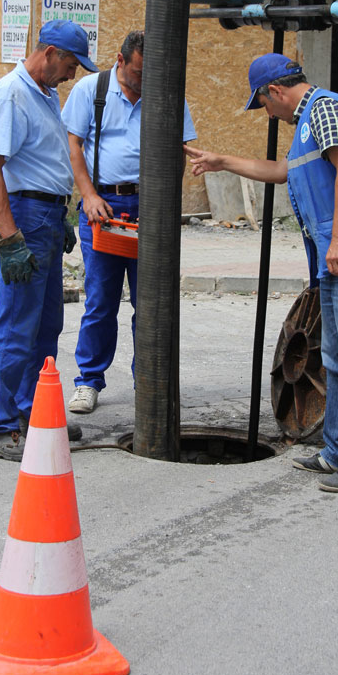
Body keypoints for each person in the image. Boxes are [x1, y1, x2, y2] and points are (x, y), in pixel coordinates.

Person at [185, 53, 338, 493]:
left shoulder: (327, 108)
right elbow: (282, 172)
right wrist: (223, 161)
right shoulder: (308, 124)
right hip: (336, 258)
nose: (268, 114)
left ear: (275, 91)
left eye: (264, 105)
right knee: (335, 360)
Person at [0, 20, 96, 461]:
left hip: (45, 213)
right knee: (15, 325)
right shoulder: (11, 94)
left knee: (46, 323)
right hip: (24, 215)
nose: (72, 74)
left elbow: (46, 158)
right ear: (48, 53)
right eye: (69, 64)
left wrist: (62, 214)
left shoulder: (45, 94)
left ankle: (33, 413)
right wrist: (10, 239)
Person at [62, 29, 197, 414]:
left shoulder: (166, 92)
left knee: (150, 302)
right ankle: (88, 380)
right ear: (120, 61)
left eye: (150, 74)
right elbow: (73, 145)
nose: (144, 82)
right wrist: (88, 195)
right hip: (103, 207)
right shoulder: (92, 90)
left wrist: (167, 203)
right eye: (138, 73)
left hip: (150, 207)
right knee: (101, 300)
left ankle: (149, 381)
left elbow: (181, 150)